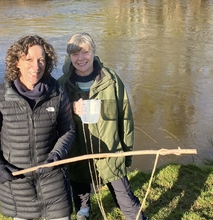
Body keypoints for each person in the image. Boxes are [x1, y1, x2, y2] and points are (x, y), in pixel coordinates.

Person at [0, 35, 76, 220]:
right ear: (16, 62)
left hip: (53, 180)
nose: (36, 66)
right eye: (29, 59)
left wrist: (56, 157)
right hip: (18, 183)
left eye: (41, 59)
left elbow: (68, 129)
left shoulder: (57, 92)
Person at [58, 33, 148, 220]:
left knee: (125, 197)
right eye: (75, 54)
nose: (80, 58)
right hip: (77, 154)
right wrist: (70, 112)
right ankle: (84, 212)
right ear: (69, 56)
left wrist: (126, 155)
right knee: (80, 192)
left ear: (94, 52)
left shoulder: (112, 80)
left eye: (85, 52)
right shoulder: (61, 85)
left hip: (110, 153)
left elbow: (126, 118)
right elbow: (55, 123)